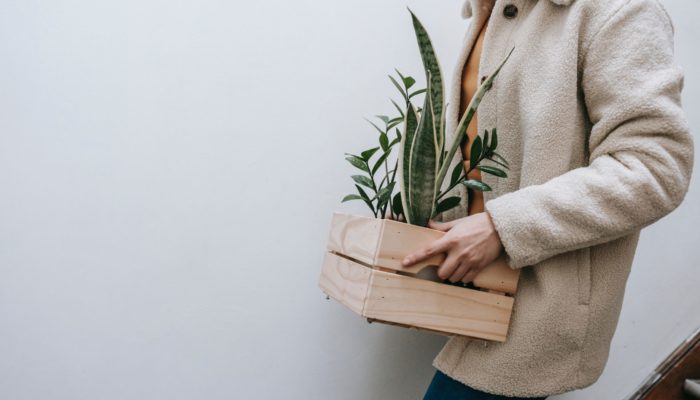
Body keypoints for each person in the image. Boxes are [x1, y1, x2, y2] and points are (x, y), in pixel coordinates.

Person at [402, 0, 695, 398]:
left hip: (537, 302)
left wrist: (500, 226)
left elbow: (654, 169)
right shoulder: (498, 8)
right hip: (475, 291)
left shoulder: (619, 10)